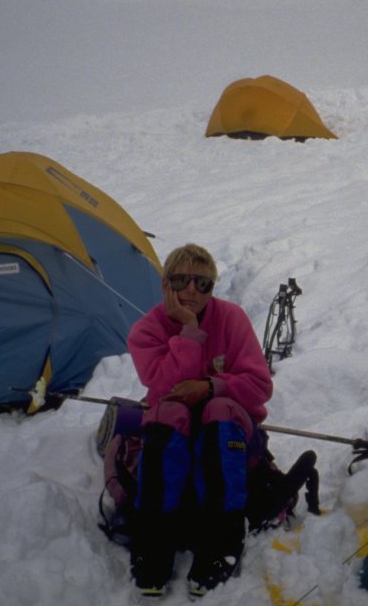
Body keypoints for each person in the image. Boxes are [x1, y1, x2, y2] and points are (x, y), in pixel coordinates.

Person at [126, 243, 273, 597]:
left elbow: (259, 386)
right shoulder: (146, 331)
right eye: (181, 281)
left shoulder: (232, 318)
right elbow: (163, 386)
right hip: (175, 433)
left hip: (227, 436)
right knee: (169, 412)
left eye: (202, 283)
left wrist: (211, 387)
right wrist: (189, 331)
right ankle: (153, 542)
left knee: (218, 408)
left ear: (212, 288)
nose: (192, 290)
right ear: (166, 285)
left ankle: (223, 538)